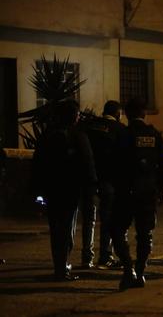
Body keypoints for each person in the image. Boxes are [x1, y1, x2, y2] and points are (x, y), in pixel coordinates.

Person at [32, 99, 97, 281]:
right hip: (70, 190)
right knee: (67, 227)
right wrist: (90, 186)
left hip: (52, 190)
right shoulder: (77, 136)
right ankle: (63, 266)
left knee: (55, 228)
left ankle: (58, 265)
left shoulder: (47, 135)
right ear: (73, 117)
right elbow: (87, 162)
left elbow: (38, 164)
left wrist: (37, 190)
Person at [111, 98, 163, 290]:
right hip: (148, 192)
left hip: (126, 192)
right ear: (144, 114)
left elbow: (114, 164)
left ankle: (128, 269)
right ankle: (141, 272)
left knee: (118, 230)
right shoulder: (154, 135)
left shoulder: (123, 135)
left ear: (126, 115)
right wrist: (162, 188)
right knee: (145, 234)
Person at [81, 101, 126, 269]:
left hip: (89, 179)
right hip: (109, 180)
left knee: (89, 219)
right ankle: (105, 256)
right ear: (117, 113)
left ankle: (87, 257)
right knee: (107, 219)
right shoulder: (120, 130)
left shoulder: (90, 126)